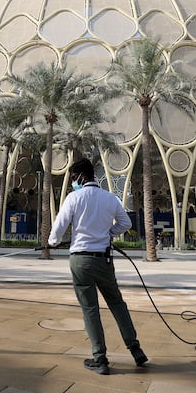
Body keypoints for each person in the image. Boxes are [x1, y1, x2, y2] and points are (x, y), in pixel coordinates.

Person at [48, 158, 148, 375]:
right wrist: (107, 234)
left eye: (74, 178)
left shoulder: (74, 198)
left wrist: (53, 242)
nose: (73, 182)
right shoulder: (109, 198)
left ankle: (100, 358)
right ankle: (135, 348)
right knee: (116, 302)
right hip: (103, 259)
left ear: (81, 177)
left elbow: (57, 231)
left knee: (90, 309)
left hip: (80, 261)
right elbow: (126, 224)